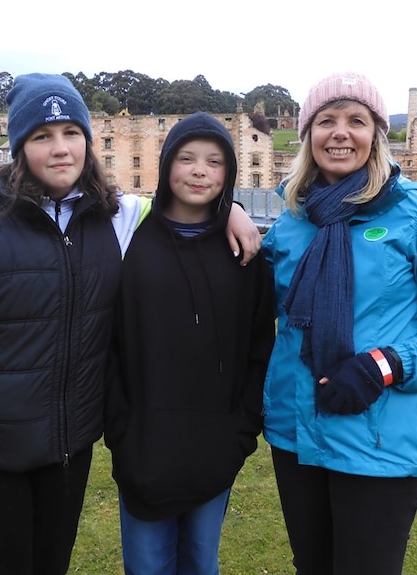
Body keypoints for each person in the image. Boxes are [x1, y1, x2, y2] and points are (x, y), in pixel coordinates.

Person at [0, 73, 261, 575]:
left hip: (65, 453)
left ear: (88, 143)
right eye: (42, 136)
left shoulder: (113, 217)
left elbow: (185, 201)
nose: (61, 149)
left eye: (72, 133)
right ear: (19, 148)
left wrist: (235, 211)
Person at [261, 72, 417, 575]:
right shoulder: (291, 221)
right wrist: (227, 214)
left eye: (356, 121)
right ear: (307, 135)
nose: (340, 132)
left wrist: (383, 365)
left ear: (376, 136)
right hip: (295, 432)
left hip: (378, 438)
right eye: (326, 121)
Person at [104, 112, 276, 574]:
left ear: (230, 174)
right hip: (143, 444)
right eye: (187, 159)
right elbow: (111, 346)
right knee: (147, 566)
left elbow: (260, 349)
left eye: (215, 162)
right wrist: (120, 427)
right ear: (165, 167)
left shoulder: (245, 255)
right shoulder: (131, 244)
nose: (200, 170)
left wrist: (241, 430)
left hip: (216, 445)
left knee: (202, 563)